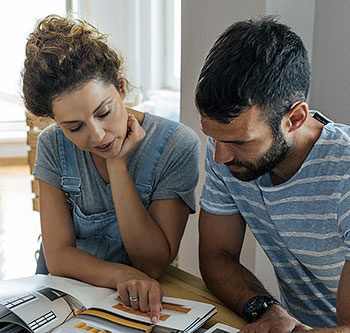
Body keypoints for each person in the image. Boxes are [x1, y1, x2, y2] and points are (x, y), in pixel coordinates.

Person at [22, 15, 200, 323]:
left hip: (136, 302)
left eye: (104, 113)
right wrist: (122, 274)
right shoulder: (52, 144)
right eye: (74, 127)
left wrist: (117, 165)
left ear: (120, 87)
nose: (98, 135)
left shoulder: (177, 145)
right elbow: (58, 257)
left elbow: (152, 264)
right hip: (60, 295)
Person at [196, 17, 350, 332]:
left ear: (295, 118)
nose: (220, 157)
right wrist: (267, 311)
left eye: (240, 142)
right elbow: (216, 257)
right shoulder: (227, 153)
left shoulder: (344, 176)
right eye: (215, 138)